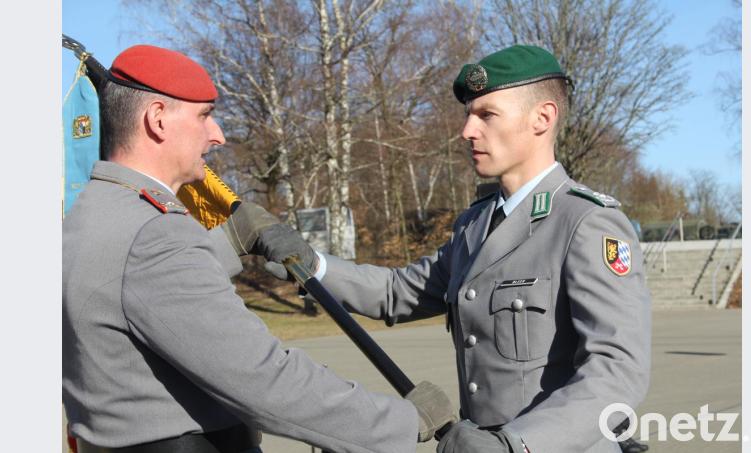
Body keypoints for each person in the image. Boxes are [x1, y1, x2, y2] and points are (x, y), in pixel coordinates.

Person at [62, 44, 456, 453]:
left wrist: (229, 240)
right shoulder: (156, 234)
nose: (217, 134)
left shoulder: (86, 216)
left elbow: (131, 288)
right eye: (204, 115)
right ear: (157, 118)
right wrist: (402, 421)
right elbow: (263, 378)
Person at [262, 45, 652, 453]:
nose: (467, 130)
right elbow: (398, 292)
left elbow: (618, 370)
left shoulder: (585, 222)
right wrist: (313, 266)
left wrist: (517, 444)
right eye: (468, 114)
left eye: (486, 114)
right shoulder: (475, 225)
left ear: (542, 117)